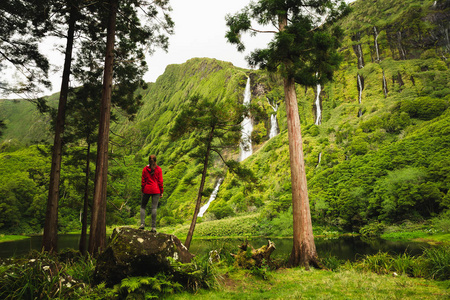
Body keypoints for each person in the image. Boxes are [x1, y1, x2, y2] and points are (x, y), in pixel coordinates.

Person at [140, 155, 163, 233]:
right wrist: (161, 191)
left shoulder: (145, 169)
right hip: (156, 190)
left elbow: (143, 181)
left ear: (148, 161)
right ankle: (153, 227)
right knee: (154, 208)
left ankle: (142, 224)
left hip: (147, 190)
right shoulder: (159, 169)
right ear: (155, 161)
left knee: (143, 206)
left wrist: (143, 190)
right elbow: (160, 182)